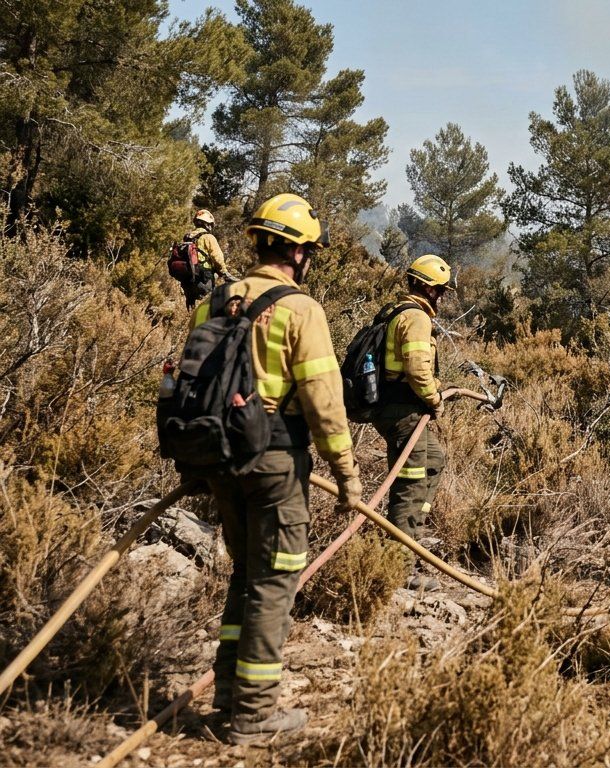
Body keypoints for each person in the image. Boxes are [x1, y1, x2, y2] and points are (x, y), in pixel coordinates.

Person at [193, 193, 362, 744]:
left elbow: (195, 387)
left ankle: (227, 695)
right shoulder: (301, 309)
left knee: (244, 576)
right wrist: (347, 477)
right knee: (274, 583)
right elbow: (323, 400)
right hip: (276, 467)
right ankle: (255, 714)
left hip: (220, 462)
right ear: (299, 253)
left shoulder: (214, 302)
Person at [373, 254, 453, 591]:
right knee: (410, 482)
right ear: (426, 287)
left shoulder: (397, 311)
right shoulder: (416, 318)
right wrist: (435, 399)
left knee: (434, 459)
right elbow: (419, 370)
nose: (442, 297)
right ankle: (399, 568)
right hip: (403, 411)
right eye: (439, 290)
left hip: (395, 408)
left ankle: (413, 532)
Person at [181, 208, 234, 308]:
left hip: (187, 282)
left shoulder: (187, 237)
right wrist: (224, 273)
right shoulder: (208, 237)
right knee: (210, 307)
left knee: (193, 311)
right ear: (207, 224)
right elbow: (217, 258)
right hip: (204, 279)